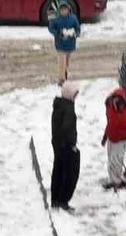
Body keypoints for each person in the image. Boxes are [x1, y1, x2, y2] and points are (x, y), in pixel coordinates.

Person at [51, 82, 80, 211]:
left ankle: (56, 199)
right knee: (69, 174)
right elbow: (67, 129)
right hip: (66, 147)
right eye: (75, 94)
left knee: (58, 171)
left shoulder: (59, 106)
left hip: (58, 145)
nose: (76, 97)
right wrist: (72, 145)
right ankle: (62, 201)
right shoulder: (68, 109)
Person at [101, 86, 126, 190]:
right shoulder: (111, 108)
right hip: (113, 137)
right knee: (112, 159)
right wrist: (105, 136)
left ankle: (116, 180)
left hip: (120, 138)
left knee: (116, 159)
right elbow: (110, 123)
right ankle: (114, 179)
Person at [47, 4, 80, 83]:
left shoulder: (73, 18)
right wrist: (58, 33)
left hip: (70, 45)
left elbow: (78, 29)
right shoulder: (56, 19)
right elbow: (51, 28)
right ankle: (61, 79)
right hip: (60, 45)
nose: (63, 11)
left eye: (65, 9)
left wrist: (75, 34)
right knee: (62, 62)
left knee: (66, 63)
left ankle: (64, 74)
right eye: (61, 10)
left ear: (68, 10)